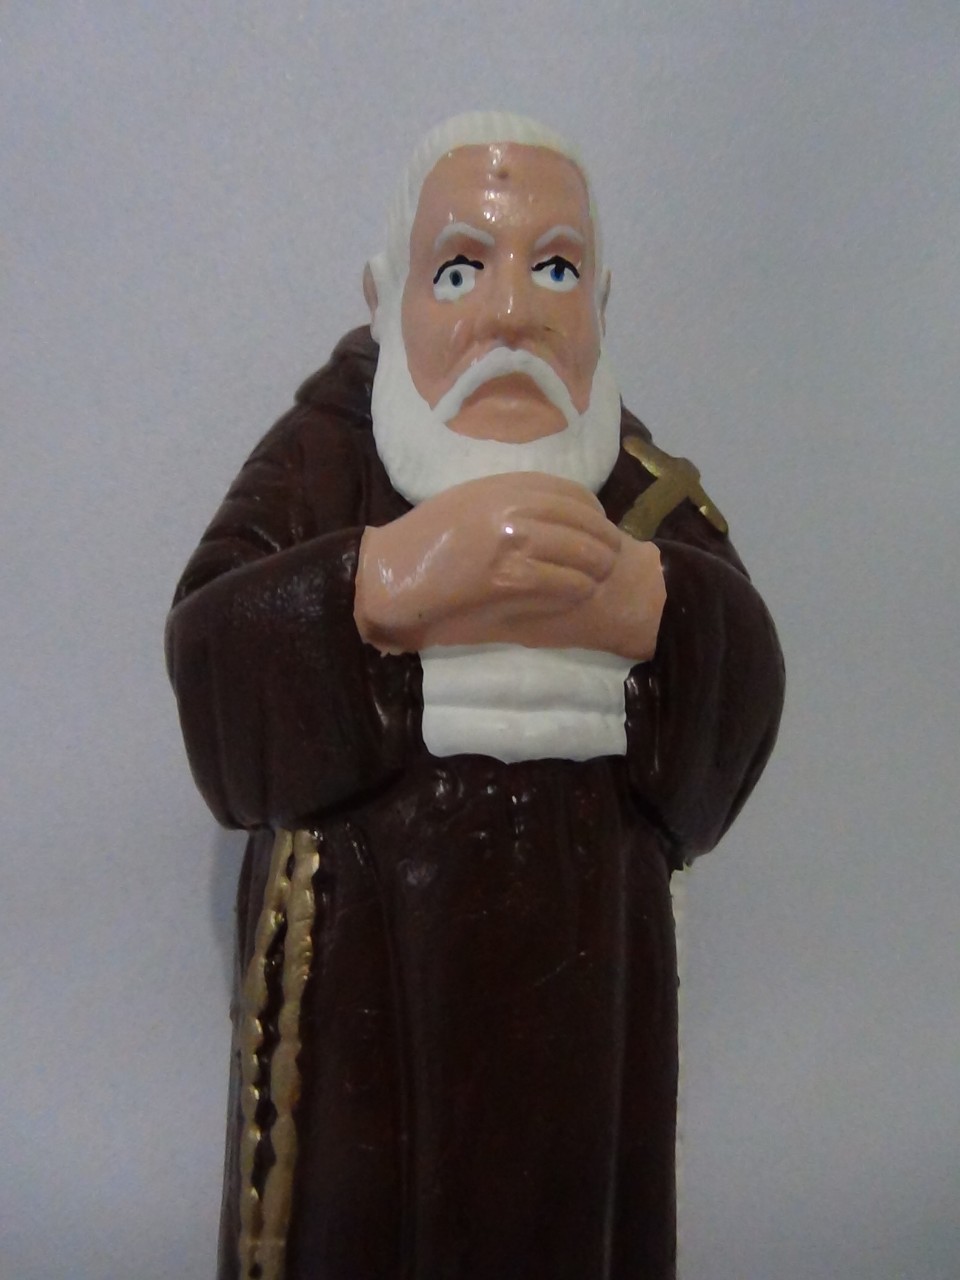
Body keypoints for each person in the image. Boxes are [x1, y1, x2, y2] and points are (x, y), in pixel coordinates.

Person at [166, 112, 784, 1280]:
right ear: (386, 296)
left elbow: (745, 681)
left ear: (602, 302)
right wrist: (380, 582)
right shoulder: (324, 457)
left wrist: (650, 606)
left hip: (589, 997)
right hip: (367, 989)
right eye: (460, 269)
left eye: (555, 269)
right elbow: (209, 658)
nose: (513, 314)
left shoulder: (639, 490)